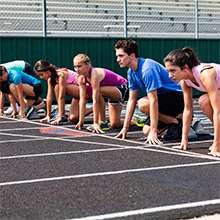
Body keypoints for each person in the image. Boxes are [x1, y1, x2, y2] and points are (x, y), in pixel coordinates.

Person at [114, 39, 184, 145]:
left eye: (121, 56)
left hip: (177, 96)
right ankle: (176, 121)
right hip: (163, 99)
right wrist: (125, 127)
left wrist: (154, 131)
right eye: (117, 56)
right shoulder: (131, 72)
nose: (118, 59)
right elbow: (131, 100)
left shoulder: (147, 69)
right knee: (146, 131)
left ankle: (180, 117)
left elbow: (153, 100)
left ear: (132, 56)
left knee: (143, 103)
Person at [164, 47, 220, 157]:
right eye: (168, 71)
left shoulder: (206, 74)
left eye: (172, 71)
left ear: (184, 68)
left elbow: (217, 110)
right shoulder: (185, 81)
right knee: (204, 101)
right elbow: (188, 109)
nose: (170, 76)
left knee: (208, 102)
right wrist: (184, 140)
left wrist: (217, 145)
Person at [73, 53, 128, 133]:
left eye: (79, 66)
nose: (77, 69)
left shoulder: (94, 74)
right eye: (75, 67)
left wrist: (95, 123)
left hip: (124, 88)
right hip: (111, 93)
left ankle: (102, 122)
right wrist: (81, 121)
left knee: (98, 91)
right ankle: (135, 121)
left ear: (88, 65)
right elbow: (82, 100)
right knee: (115, 124)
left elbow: (95, 100)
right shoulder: (81, 78)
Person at [34, 60, 92, 125]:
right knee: (73, 118)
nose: (41, 77)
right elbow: (49, 97)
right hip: (77, 95)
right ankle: (94, 109)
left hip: (86, 91)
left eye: (41, 74)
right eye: (39, 75)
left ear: (48, 71)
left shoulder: (61, 75)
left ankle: (61, 115)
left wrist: (60, 116)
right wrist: (48, 115)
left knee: (57, 87)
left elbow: (61, 97)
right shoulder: (50, 79)